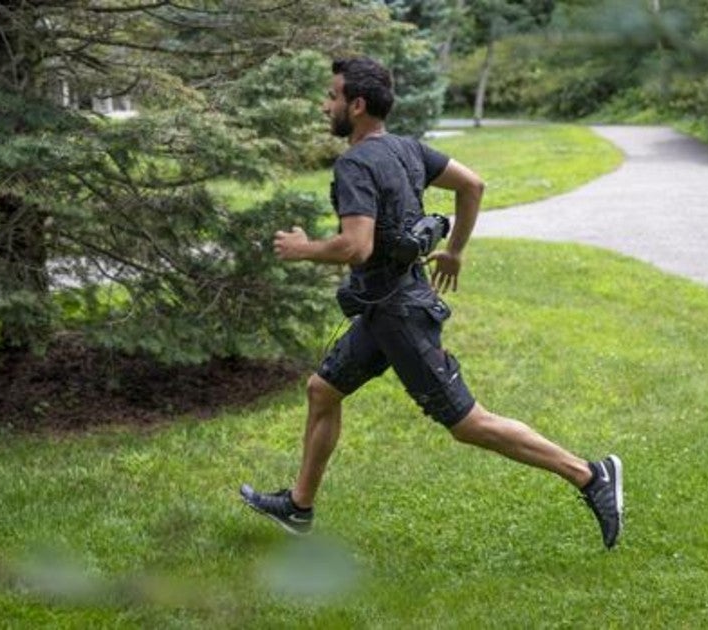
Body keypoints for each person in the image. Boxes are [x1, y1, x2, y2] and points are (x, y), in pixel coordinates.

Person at [240, 57, 624, 549]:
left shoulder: (355, 164)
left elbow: (356, 247)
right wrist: (456, 252)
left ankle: (591, 476)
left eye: (332, 97)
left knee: (468, 423)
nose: (326, 105)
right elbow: (473, 184)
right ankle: (299, 506)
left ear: (356, 106)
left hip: (401, 316)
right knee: (322, 391)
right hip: (383, 308)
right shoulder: (405, 149)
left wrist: (302, 249)